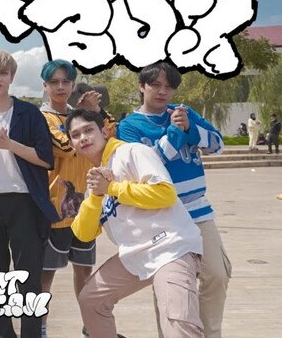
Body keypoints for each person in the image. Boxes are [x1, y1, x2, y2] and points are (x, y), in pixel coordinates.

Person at [66, 108, 204, 338]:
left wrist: (112, 188)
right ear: (72, 145)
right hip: (135, 255)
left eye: (88, 130)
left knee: (177, 324)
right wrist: (98, 196)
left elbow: (165, 194)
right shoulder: (95, 180)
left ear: (104, 131)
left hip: (172, 247)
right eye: (76, 135)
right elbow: (83, 233)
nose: (83, 138)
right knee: (91, 300)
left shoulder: (132, 152)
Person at [118, 61, 230, 338]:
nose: (162, 91)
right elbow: (150, 163)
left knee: (217, 274)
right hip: (162, 218)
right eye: (155, 85)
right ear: (141, 86)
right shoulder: (129, 127)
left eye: (169, 87)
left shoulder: (184, 113)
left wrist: (190, 128)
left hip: (197, 211)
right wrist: (177, 132)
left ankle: (210, 333)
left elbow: (217, 145)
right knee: (172, 286)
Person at [0, 49, 57, 338]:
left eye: (3, 73)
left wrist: (10, 145)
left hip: (25, 202)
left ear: (12, 77)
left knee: (29, 277)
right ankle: (3, 333)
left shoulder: (29, 113)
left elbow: (46, 159)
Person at [39, 59, 117, 338]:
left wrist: (96, 111)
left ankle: (90, 327)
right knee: (46, 274)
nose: (60, 87)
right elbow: (65, 146)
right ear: (45, 86)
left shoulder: (81, 116)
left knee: (85, 270)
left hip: (87, 205)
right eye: (54, 82)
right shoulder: (42, 118)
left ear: (73, 85)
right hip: (56, 208)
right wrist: (86, 117)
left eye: (66, 82)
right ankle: (40, 327)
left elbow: (110, 132)